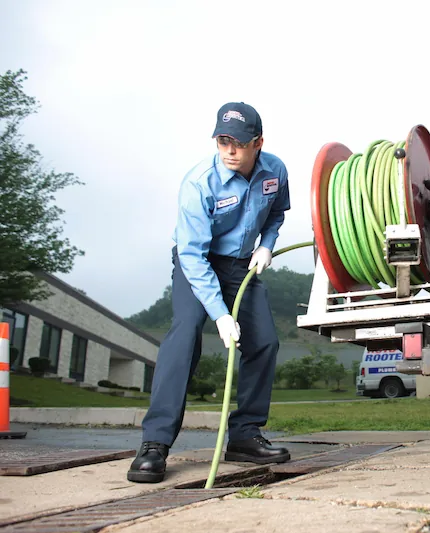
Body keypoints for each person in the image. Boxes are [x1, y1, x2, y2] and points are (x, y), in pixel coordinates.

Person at [127, 102, 291, 483]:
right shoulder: (199, 183)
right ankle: (155, 444)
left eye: (238, 143)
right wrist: (219, 314)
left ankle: (246, 435)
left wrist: (267, 243)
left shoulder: (276, 170)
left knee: (264, 341)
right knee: (185, 336)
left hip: (240, 266)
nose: (230, 150)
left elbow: (278, 211)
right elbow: (192, 256)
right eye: (222, 141)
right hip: (197, 264)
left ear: (258, 143)